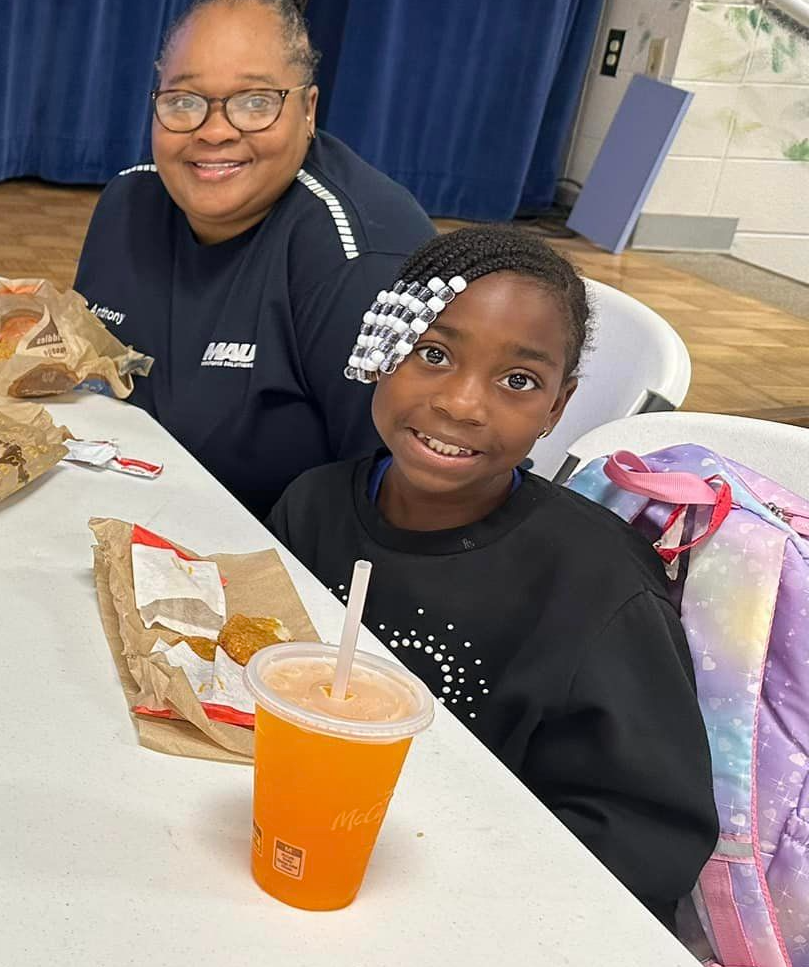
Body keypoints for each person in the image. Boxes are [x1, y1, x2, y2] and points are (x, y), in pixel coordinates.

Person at [269, 226, 716, 923]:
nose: (463, 404)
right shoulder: (313, 507)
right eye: (434, 354)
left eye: (518, 381)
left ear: (556, 409)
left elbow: (648, 834)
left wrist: (463, 891)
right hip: (308, 860)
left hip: (485, 912)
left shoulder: (597, 588)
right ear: (382, 349)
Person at [75, 0, 434, 516]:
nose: (214, 131)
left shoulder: (361, 260)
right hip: (120, 521)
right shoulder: (128, 203)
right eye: (185, 101)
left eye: (255, 102)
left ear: (309, 109)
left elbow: (406, 497)